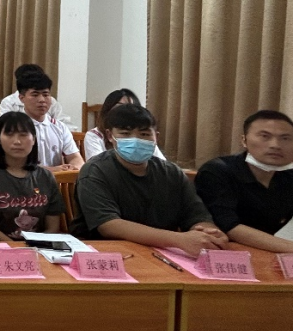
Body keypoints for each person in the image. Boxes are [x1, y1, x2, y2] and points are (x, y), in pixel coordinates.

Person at [71, 104, 228, 256]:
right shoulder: (95, 171)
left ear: (156, 137)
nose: (135, 140)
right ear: (110, 136)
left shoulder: (172, 173)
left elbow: (196, 215)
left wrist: (207, 233)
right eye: (125, 134)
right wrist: (179, 240)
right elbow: (109, 225)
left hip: (164, 253)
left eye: (144, 134)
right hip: (108, 254)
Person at [195, 110, 293, 254]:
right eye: (265, 136)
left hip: (263, 251)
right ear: (244, 140)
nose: (275, 145)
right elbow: (229, 227)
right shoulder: (217, 171)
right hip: (217, 250)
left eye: (285, 138)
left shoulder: (288, 176)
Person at [0, 112, 66, 241]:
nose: (17, 141)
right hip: (0, 247)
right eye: (9, 134)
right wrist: (17, 249)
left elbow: (52, 227)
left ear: (34, 139)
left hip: (40, 247)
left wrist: (36, 248)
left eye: (23, 134)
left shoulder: (46, 177)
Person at [16, 71, 83, 171]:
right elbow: (16, 165)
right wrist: (53, 170)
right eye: (35, 95)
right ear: (21, 98)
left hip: (56, 179)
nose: (42, 100)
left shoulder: (59, 127)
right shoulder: (14, 127)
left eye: (45, 94)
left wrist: (74, 167)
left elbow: (75, 157)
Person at [84, 89, 167, 161]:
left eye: (132, 107)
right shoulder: (95, 135)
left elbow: (162, 164)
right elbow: (97, 166)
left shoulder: (146, 139)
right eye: (125, 133)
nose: (126, 112)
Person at [0, 64, 65, 120]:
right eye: (35, 95)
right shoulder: (8, 102)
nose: (42, 100)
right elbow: (5, 125)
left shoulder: (51, 101)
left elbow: (63, 122)